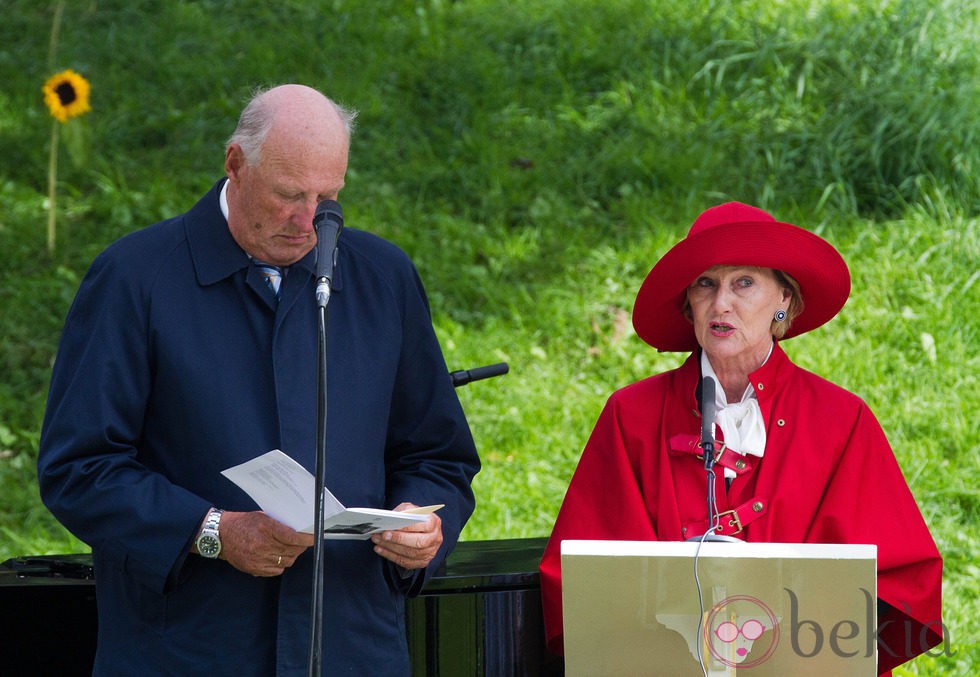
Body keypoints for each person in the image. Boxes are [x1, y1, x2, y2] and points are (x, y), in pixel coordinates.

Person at [37, 84, 481, 675]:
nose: (308, 222)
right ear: (235, 165)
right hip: (189, 649)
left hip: (353, 645)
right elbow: (78, 468)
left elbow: (439, 456)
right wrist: (212, 531)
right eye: (288, 196)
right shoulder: (135, 278)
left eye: (329, 199)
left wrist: (426, 531)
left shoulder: (383, 277)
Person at [539, 202, 943, 674]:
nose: (721, 303)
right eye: (705, 284)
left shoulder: (839, 418)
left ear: (784, 300)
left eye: (744, 283)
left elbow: (896, 580)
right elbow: (585, 579)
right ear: (688, 302)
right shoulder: (632, 414)